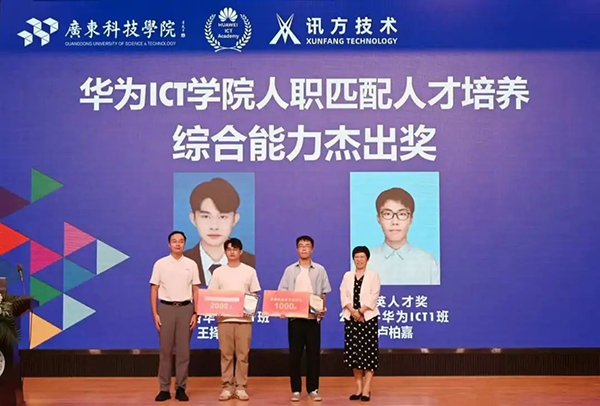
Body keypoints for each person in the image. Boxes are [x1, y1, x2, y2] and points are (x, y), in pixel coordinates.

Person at [278, 235, 331, 402]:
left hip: (313, 319)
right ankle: (295, 390)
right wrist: (282, 310)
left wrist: (322, 309)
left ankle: (313, 389)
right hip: (295, 319)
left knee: (313, 355)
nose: (304, 248)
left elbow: (323, 293)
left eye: (307, 245)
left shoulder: (320, 270)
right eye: (301, 245)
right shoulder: (289, 270)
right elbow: (282, 292)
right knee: (295, 355)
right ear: (297, 249)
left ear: (312, 249)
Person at [150, 231, 200, 402]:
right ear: (169, 244)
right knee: (165, 351)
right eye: (174, 241)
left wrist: (196, 313)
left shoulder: (191, 264)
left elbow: (196, 289)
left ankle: (181, 388)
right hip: (166, 308)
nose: (177, 244)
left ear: (184, 244)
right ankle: (164, 388)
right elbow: (154, 289)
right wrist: (155, 313)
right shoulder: (160, 264)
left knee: (183, 352)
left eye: (181, 241)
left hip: (186, 309)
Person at [208, 238, 261, 401]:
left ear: (240, 252)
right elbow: (212, 295)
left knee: (243, 355)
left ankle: (241, 387)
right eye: (229, 249)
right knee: (226, 354)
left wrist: (249, 310)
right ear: (225, 252)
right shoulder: (218, 272)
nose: (232, 252)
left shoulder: (249, 271)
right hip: (224, 320)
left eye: (235, 249)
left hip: (244, 320)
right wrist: (216, 310)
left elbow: (254, 294)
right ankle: (227, 387)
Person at [184, 177, 255, 287]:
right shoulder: (183, 262)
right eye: (206, 216)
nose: (214, 226)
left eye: (222, 217)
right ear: (193, 218)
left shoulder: (251, 263)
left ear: (235, 219)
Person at [368, 187, 440, 285]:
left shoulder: (428, 262)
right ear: (378, 218)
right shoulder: (365, 261)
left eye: (402, 214)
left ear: (411, 219)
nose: (395, 222)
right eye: (387, 214)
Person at [340, 246, 381, 402]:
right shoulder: (347, 275)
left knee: (368, 354)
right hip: (351, 319)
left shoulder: (373, 275)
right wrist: (353, 311)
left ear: (367, 259)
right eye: (356, 257)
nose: (359, 260)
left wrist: (361, 311)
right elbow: (343, 294)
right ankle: (358, 388)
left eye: (362, 257)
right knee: (354, 354)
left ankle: (366, 389)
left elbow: (374, 295)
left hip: (368, 319)